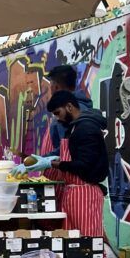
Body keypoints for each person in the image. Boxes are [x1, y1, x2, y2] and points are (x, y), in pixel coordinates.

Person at [17, 91, 109, 236]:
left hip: (85, 195)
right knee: (71, 241)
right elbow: (71, 156)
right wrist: (46, 159)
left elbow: (84, 165)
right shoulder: (74, 128)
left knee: (87, 242)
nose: (57, 118)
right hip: (72, 195)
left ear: (69, 107)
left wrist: (53, 164)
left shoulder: (86, 128)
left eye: (58, 113)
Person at [44, 65, 107, 153]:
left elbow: (66, 149)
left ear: (56, 87)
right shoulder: (83, 109)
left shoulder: (68, 113)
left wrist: (44, 160)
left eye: (51, 85)